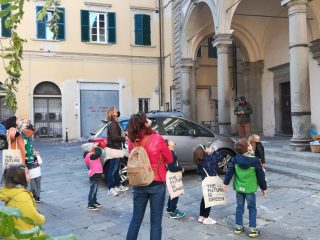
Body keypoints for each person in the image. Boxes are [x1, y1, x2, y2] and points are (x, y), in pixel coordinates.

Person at [126, 112, 173, 240]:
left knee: (136, 220)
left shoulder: (132, 142)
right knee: (156, 222)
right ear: (145, 123)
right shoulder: (157, 138)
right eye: (147, 119)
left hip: (139, 182)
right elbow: (169, 159)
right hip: (156, 182)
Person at [223, 139, 267, 238]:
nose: (251, 145)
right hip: (250, 189)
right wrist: (263, 188)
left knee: (239, 207)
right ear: (247, 148)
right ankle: (252, 230)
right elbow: (261, 175)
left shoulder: (235, 159)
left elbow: (229, 172)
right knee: (252, 208)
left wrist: (225, 183)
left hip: (239, 188)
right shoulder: (255, 160)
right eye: (249, 144)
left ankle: (238, 227)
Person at [0, 164, 45, 238]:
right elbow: (31, 216)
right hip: (25, 233)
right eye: (27, 173)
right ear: (20, 178)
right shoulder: (22, 196)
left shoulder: (11, 191)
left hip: (15, 232)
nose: (29, 174)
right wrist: (42, 218)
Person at [193, 144, 223, 225]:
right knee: (210, 199)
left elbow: (198, 172)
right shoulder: (209, 158)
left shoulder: (199, 161)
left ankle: (201, 216)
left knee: (205, 198)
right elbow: (220, 157)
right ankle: (206, 218)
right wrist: (212, 151)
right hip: (211, 180)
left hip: (204, 179)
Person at [105, 107, 129, 196]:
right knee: (112, 170)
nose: (117, 111)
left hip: (117, 148)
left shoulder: (115, 122)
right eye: (115, 111)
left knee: (117, 169)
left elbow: (118, 134)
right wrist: (124, 138)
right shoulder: (112, 124)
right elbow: (115, 137)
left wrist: (124, 134)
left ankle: (118, 186)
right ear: (112, 113)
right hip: (114, 149)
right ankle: (110, 188)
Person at [21, 122, 42, 203]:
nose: (32, 133)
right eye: (31, 132)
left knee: (38, 182)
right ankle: (34, 195)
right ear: (27, 130)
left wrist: (35, 153)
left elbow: (30, 149)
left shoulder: (27, 138)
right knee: (32, 185)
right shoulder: (22, 137)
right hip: (26, 163)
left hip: (34, 162)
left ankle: (38, 196)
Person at [165, 139, 185, 219]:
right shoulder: (169, 154)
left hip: (169, 175)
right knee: (175, 193)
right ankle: (173, 212)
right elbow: (172, 168)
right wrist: (181, 168)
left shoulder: (169, 152)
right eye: (172, 145)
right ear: (167, 146)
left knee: (172, 192)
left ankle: (169, 208)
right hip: (172, 175)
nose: (173, 146)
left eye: (174, 145)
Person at [83, 144, 103, 211]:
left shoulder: (90, 155)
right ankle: (90, 204)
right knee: (93, 190)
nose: (94, 148)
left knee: (95, 189)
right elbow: (99, 153)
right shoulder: (91, 155)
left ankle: (94, 201)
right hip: (94, 174)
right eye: (93, 147)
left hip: (96, 173)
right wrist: (97, 147)